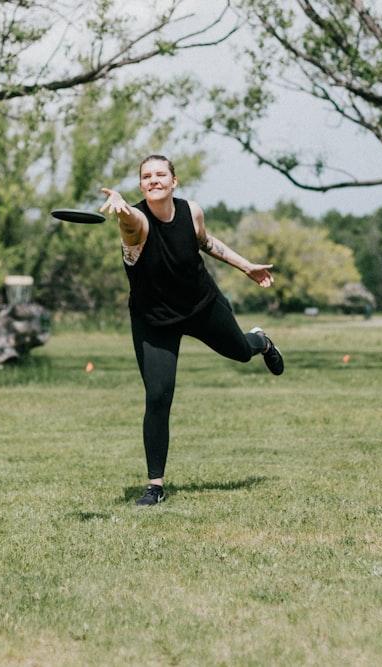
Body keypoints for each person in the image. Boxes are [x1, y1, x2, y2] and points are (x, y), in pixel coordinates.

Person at [100, 155, 284, 507]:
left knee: (241, 352)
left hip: (201, 305)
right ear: (140, 186)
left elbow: (203, 240)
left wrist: (245, 266)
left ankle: (261, 341)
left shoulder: (191, 211)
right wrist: (121, 207)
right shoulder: (135, 222)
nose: (154, 180)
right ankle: (155, 485)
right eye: (146, 177)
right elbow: (131, 221)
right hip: (154, 320)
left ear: (174, 181)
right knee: (158, 395)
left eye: (160, 174)